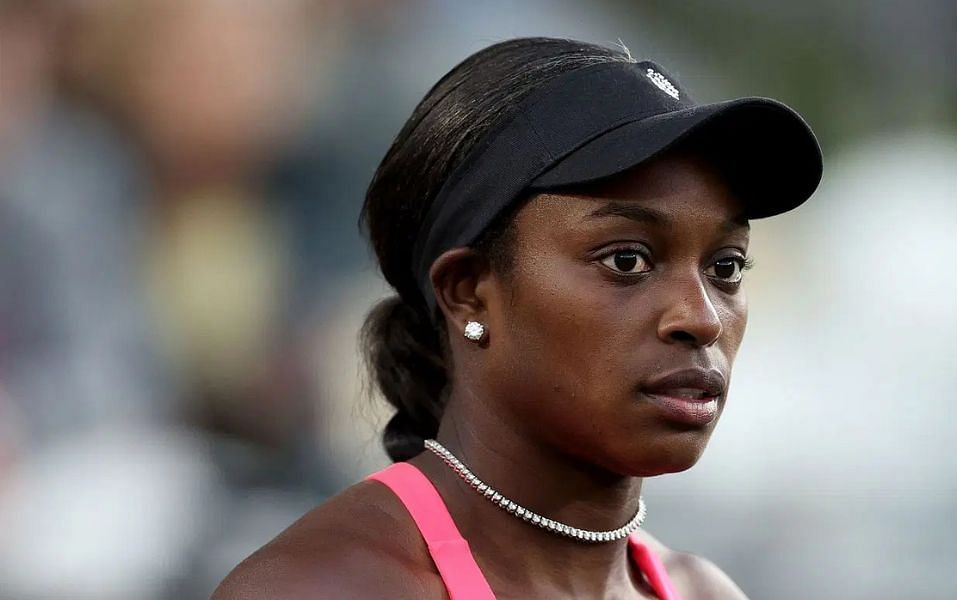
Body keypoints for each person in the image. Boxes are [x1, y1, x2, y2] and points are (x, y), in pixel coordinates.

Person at [214, 36, 821, 599]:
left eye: (727, 267)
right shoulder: (325, 588)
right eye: (628, 259)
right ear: (467, 293)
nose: (702, 318)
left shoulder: (703, 592)